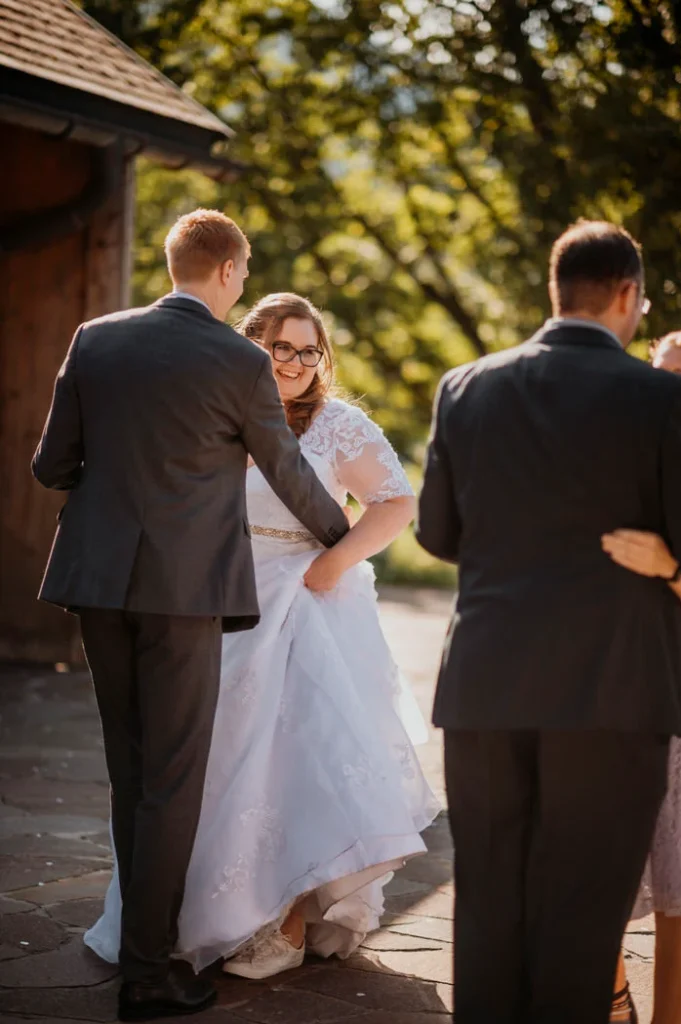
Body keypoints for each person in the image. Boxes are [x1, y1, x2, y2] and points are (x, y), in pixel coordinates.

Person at [32, 215, 350, 1022]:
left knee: (132, 769)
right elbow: (283, 468)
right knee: (173, 783)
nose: (242, 282)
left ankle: (139, 948)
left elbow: (51, 465)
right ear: (229, 268)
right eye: (243, 273)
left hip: (99, 582)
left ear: (174, 264)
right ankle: (149, 972)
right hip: (184, 594)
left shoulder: (95, 338)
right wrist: (344, 544)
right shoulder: (238, 360)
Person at [84, 291, 440, 980]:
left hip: (304, 600)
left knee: (298, 760)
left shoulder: (336, 424)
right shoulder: (212, 410)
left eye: (310, 350)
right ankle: (194, 914)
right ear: (251, 345)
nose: (299, 363)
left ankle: (289, 918)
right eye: (283, 348)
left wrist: (335, 560)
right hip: (208, 598)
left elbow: (396, 501)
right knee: (203, 768)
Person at [416, 220, 681, 1024]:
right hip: (613, 691)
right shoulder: (662, 398)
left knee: (488, 904)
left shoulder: (464, 385)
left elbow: (436, 533)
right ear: (628, 295)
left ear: (554, 291)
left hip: (485, 686)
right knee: (582, 911)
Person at [602, 329, 681, 1024]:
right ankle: (613, 992)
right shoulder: (617, 464)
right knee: (601, 863)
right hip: (614, 690)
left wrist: (674, 570)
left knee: (678, 878)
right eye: (658, 375)